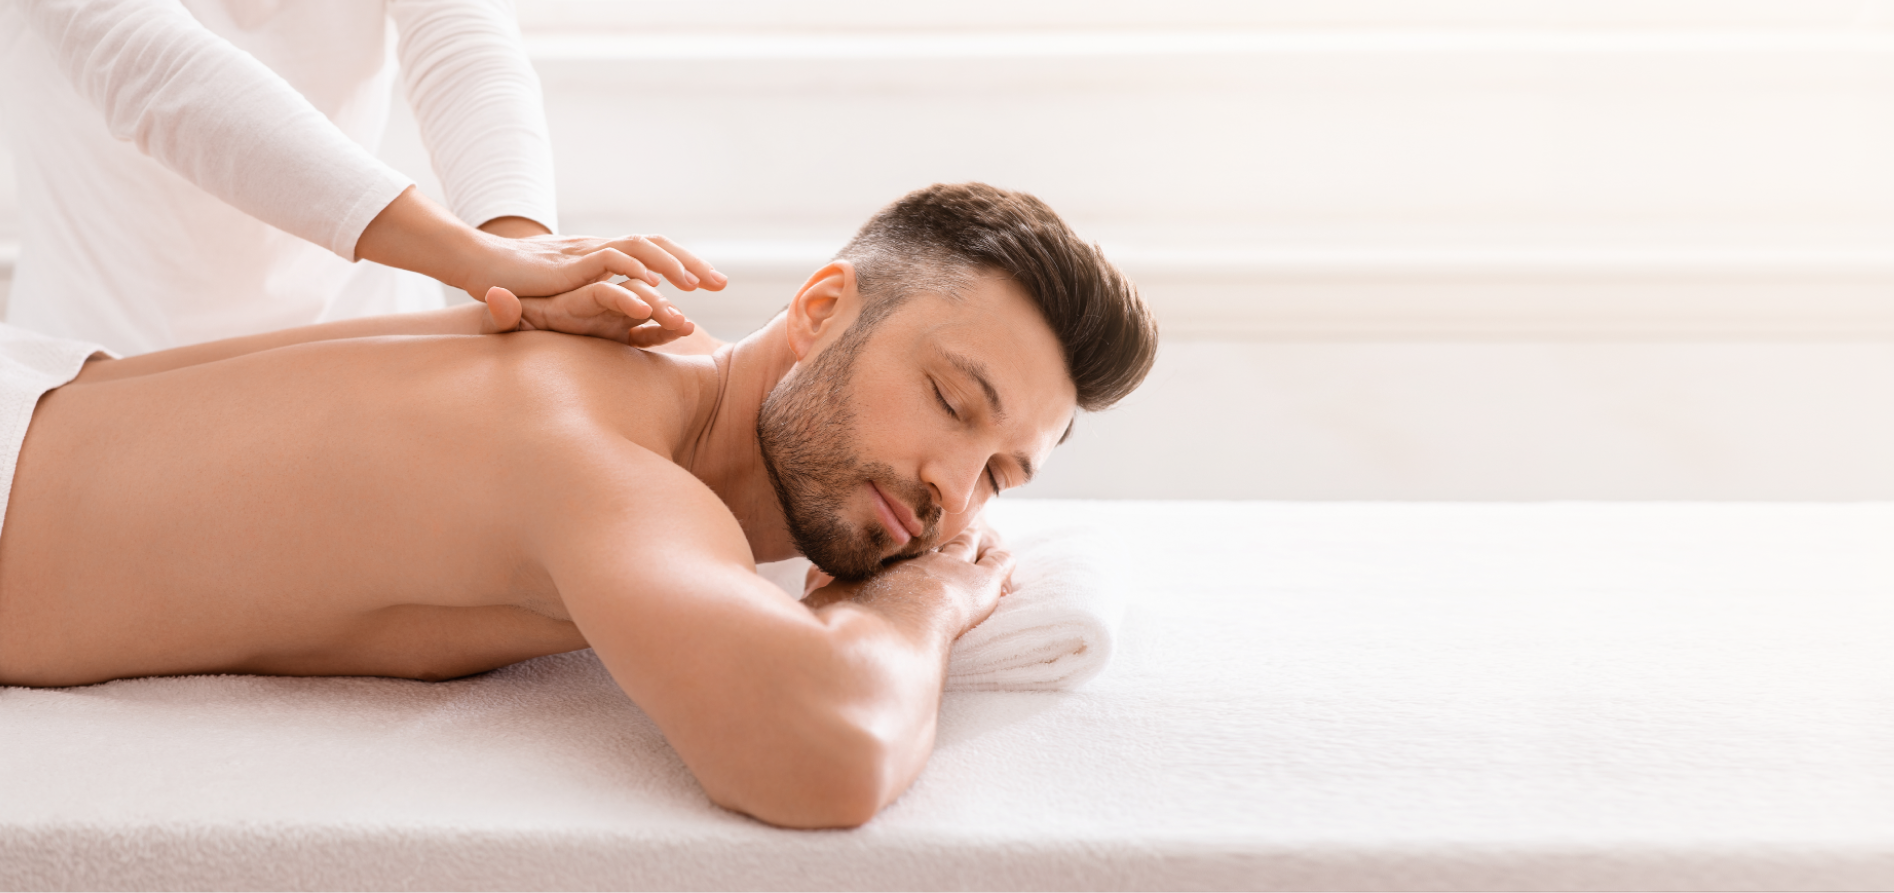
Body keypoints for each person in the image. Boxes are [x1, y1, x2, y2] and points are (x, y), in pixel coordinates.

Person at [0, 183, 1158, 829]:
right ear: (819, 309)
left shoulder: (649, 382)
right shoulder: (603, 460)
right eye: (954, 401)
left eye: (1003, 476)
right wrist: (927, 597)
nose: (956, 493)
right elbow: (827, 752)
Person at [1, 0, 719, 353]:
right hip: (103, 357)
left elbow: (462, 44)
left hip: (366, 337)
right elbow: (157, 73)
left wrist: (526, 261)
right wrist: (485, 260)